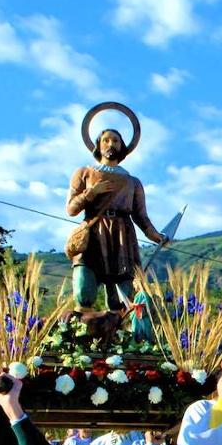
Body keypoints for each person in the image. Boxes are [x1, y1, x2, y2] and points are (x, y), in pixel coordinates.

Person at [66, 128, 168, 312]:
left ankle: (116, 333)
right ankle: (81, 329)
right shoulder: (84, 173)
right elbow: (71, 209)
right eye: (106, 140)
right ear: (98, 145)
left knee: (120, 300)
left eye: (115, 141)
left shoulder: (132, 182)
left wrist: (156, 236)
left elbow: (141, 216)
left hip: (122, 238)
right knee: (84, 290)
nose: (111, 144)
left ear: (122, 147)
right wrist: (91, 193)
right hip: (93, 235)